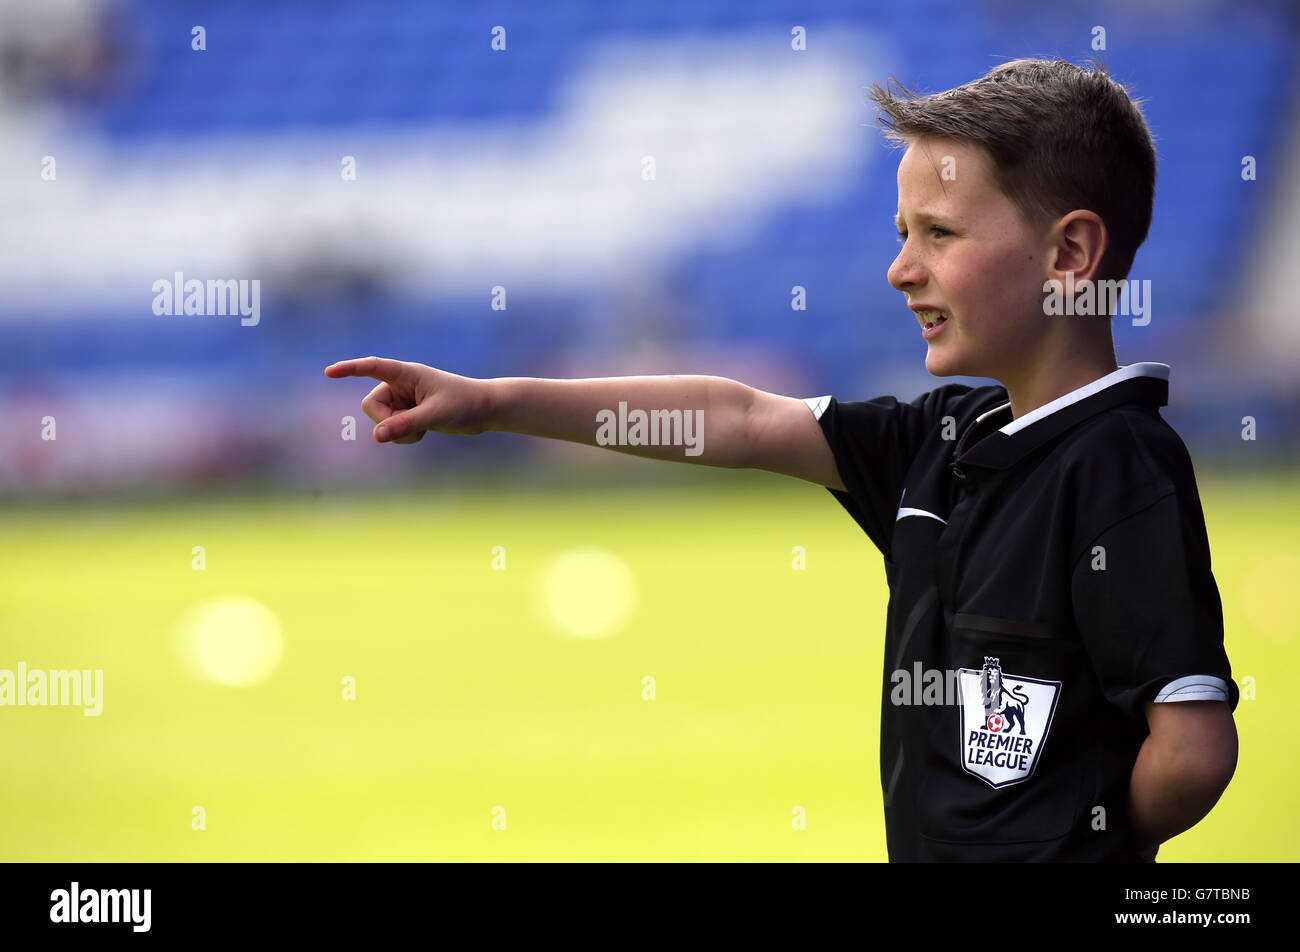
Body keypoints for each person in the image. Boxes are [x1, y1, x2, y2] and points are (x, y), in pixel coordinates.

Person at [326, 58, 1238, 862]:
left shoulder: (1121, 467)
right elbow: (742, 420)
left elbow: (1192, 750)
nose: (901, 269)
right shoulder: (945, 438)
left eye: (940, 235)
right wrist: (493, 404)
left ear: (1070, 253)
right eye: (900, 233)